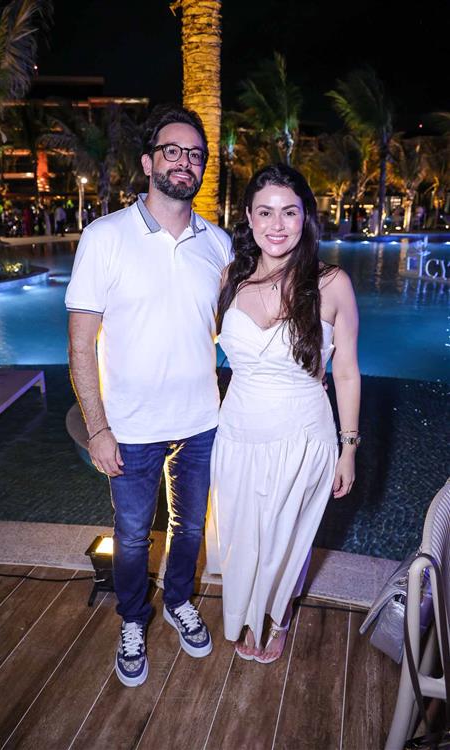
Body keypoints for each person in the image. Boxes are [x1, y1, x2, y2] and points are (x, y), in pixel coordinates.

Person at [65, 104, 232, 688]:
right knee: (133, 536)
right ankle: (134, 619)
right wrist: (98, 428)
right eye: (172, 151)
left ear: (203, 167)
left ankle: (179, 600)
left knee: (190, 531)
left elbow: (230, 329)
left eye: (195, 155)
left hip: (201, 421)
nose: (184, 162)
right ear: (148, 161)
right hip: (131, 427)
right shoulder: (105, 237)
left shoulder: (219, 244)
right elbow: (80, 344)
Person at [207, 163, 360, 663]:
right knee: (242, 534)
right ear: (248, 217)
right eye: (266, 212)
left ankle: (277, 617)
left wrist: (348, 447)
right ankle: (247, 612)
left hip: (302, 434)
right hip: (238, 431)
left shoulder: (332, 283)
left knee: (285, 538)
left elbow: (346, 373)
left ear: (305, 217)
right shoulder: (230, 278)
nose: (277, 224)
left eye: (289, 212)